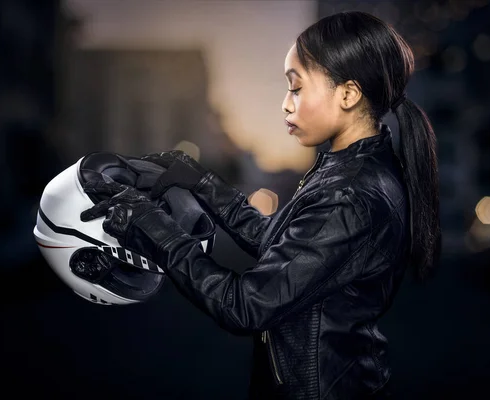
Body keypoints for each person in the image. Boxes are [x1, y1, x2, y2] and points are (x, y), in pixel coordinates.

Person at [80, 10, 441, 400]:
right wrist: (200, 181)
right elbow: (280, 245)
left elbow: (246, 304)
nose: (286, 104)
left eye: (297, 88)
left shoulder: (350, 193)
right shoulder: (346, 170)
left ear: (348, 95)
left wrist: (152, 227)